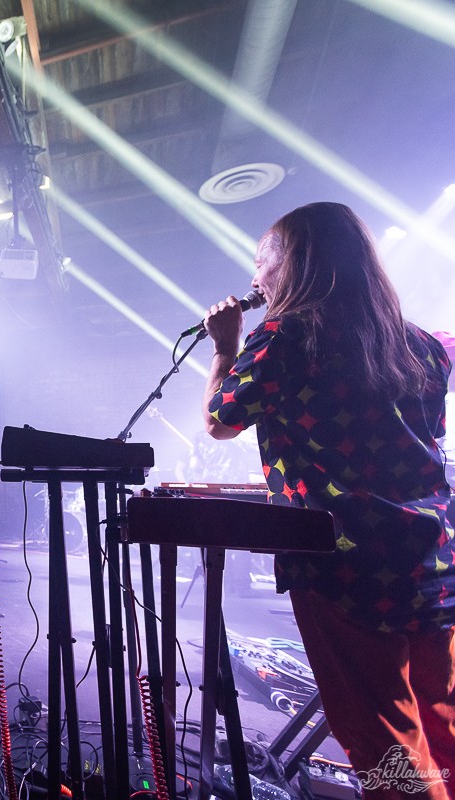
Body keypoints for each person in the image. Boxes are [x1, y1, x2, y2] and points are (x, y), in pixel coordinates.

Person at [201, 202, 455, 798]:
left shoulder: (287, 335)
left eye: (263, 260)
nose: (255, 277)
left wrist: (223, 345)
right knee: (442, 724)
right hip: (434, 564)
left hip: (348, 568)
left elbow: (220, 418)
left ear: (298, 263)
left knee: (383, 739)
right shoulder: (420, 343)